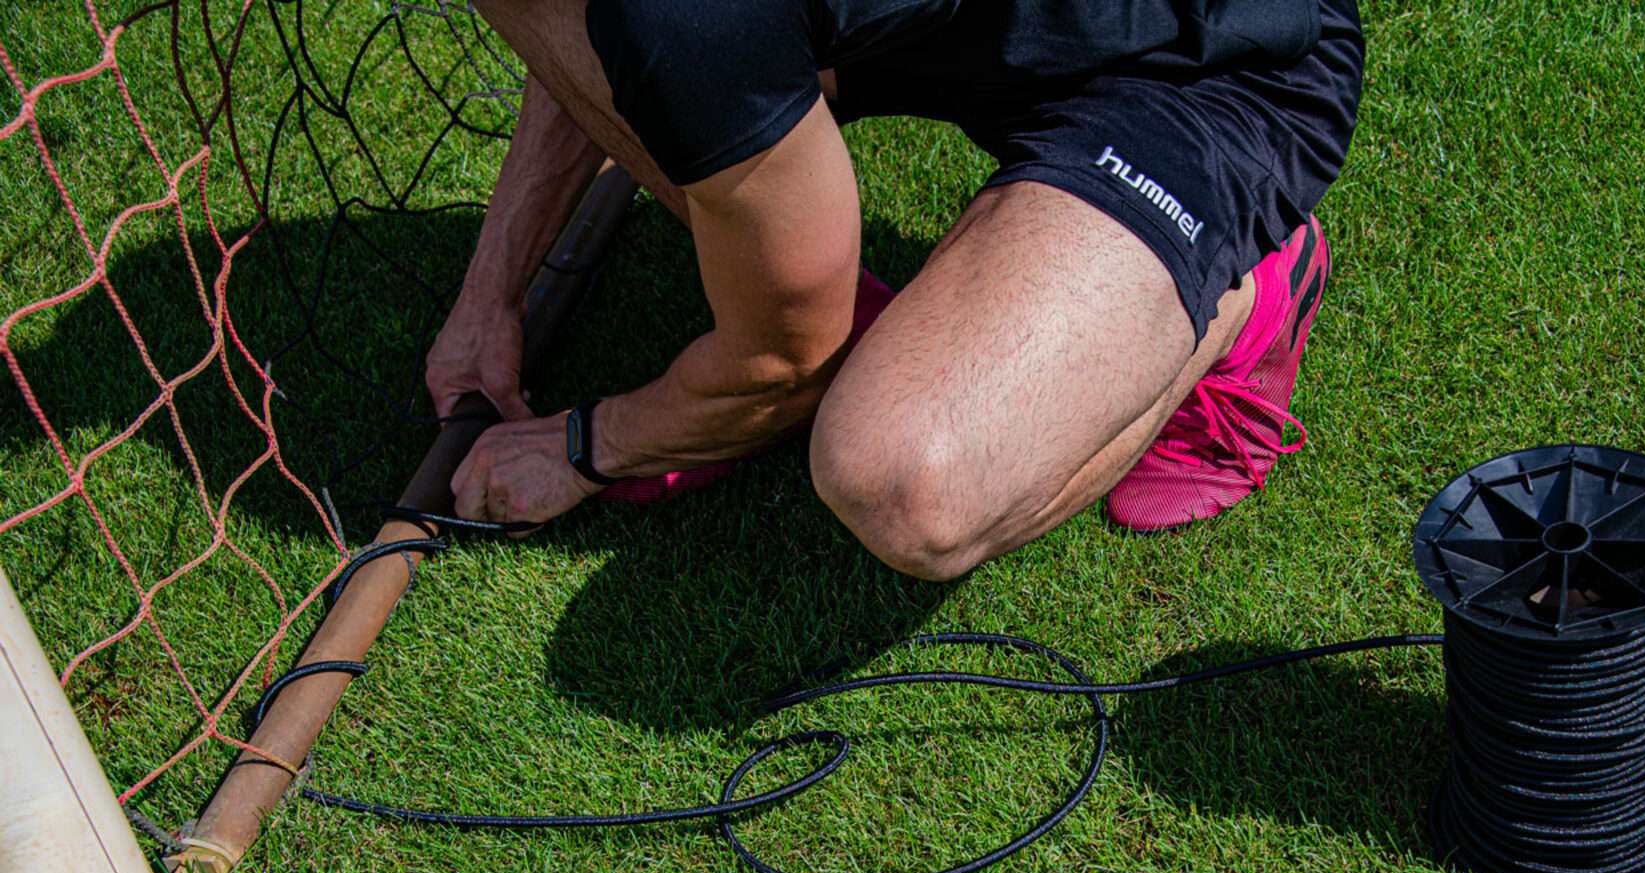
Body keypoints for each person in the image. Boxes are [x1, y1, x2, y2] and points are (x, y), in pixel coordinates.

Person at [431, 0, 1364, 578]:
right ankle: (820, 322)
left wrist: (592, 443)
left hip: (1210, 65)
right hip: (969, 23)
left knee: (907, 483)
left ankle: (1244, 286)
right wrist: (491, 292)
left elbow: (781, 363)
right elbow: (591, 27)